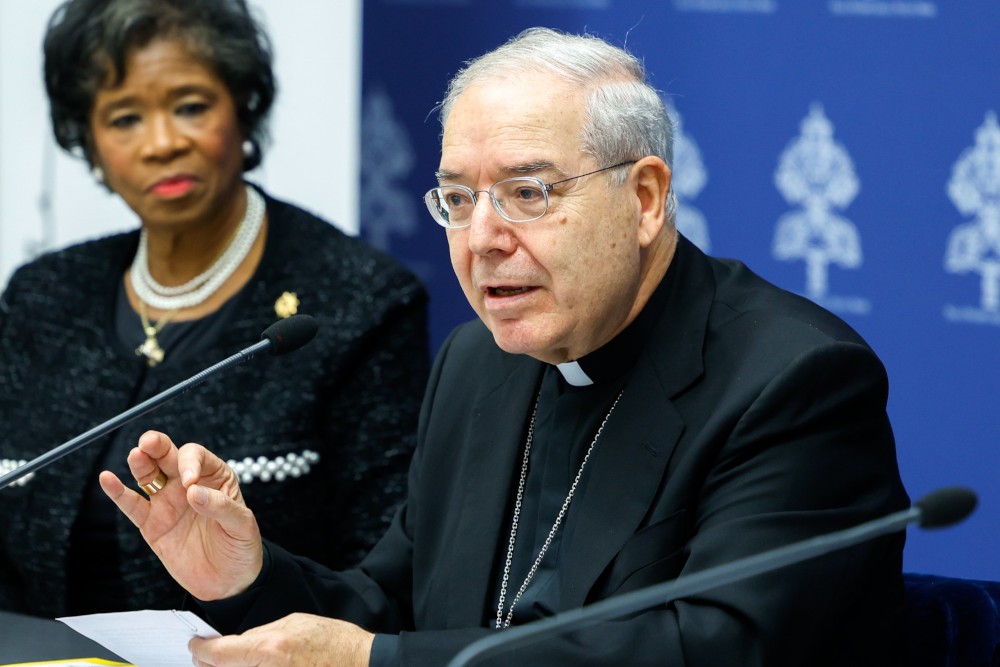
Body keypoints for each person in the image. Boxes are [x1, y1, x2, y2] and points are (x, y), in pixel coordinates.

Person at [100, 27, 909, 666]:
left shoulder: (794, 381)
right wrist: (247, 575)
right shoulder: (476, 362)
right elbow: (391, 612)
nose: (482, 237)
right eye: (457, 197)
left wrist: (376, 661)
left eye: (528, 193)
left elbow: (715, 647)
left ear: (646, 197)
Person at [0, 0, 429, 619]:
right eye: (124, 118)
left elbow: (382, 576)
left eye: (191, 107)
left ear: (243, 110)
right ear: (88, 142)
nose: (163, 143)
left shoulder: (356, 298)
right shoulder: (43, 295)